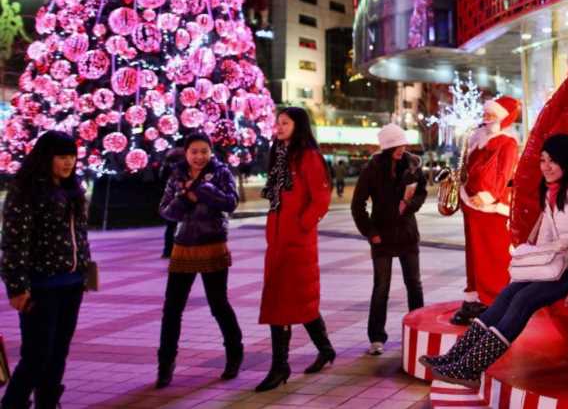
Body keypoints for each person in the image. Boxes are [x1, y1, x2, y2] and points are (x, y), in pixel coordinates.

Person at [422, 134, 568, 388]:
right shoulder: (555, 188)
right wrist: (533, 266)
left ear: (567, 160)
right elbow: (547, 235)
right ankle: (454, 358)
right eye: (542, 160)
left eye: (552, 161)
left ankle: (471, 368)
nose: (545, 166)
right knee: (508, 293)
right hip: (557, 262)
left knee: (524, 299)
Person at [0, 131, 90, 409]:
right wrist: (16, 286)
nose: (68, 162)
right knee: (37, 354)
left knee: (58, 352)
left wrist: (85, 271)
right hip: (41, 285)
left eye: (72, 156)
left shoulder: (72, 188)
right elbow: (14, 242)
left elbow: (81, 236)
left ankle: (48, 402)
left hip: (71, 283)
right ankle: (13, 404)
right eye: (61, 157)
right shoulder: (26, 191)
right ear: (46, 158)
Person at [256, 107, 335, 392]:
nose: (278, 127)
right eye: (277, 123)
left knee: (284, 303)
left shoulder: (308, 156)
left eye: (285, 123)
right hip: (277, 241)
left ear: (298, 125)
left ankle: (280, 366)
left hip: (297, 243)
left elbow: (320, 198)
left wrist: (302, 225)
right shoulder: (279, 156)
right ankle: (325, 349)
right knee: (295, 301)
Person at [155, 133, 243, 388]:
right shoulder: (177, 175)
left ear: (210, 151)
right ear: (186, 152)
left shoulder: (221, 173)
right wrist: (185, 199)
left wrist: (204, 191)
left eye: (204, 151)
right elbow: (166, 211)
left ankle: (234, 354)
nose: (199, 156)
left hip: (213, 245)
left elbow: (231, 203)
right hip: (183, 248)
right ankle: (165, 364)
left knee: (219, 304)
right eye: (194, 151)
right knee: (172, 309)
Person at [351, 124, 427, 356]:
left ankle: (419, 330)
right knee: (381, 287)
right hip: (382, 237)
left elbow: (422, 191)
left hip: (406, 234)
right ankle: (376, 337)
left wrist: (410, 205)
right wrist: (371, 233)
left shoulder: (413, 165)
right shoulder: (372, 169)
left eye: (403, 144)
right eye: (396, 145)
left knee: (414, 284)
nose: (401, 149)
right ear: (386, 147)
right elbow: (357, 205)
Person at [451, 97, 521, 326]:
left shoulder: (507, 142)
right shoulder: (477, 139)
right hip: (471, 205)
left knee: (492, 254)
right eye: (486, 113)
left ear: (502, 117)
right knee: (475, 254)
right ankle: (475, 295)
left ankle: (493, 298)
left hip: (489, 207)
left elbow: (504, 173)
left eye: (492, 114)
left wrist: (488, 195)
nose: (487, 117)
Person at [158, 147, 185, 259]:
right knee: (179, 226)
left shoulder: (165, 168)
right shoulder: (179, 170)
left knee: (170, 226)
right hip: (178, 200)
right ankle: (175, 250)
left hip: (170, 201)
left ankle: (168, 250)